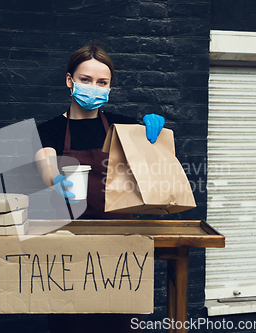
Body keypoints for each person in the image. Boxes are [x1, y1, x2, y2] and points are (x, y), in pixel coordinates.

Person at [35, 45, 164, 333]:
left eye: (102, 82)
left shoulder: (122, 128)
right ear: (70, 81)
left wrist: (152, 135)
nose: (93, 88)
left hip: (119, 242)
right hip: (68, 244)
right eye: (85, 80)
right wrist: (55, 179)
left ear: (109, 87)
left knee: (120, 323)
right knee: (70, 322)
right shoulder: (51, 130)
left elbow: (155, 161)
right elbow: (45, 163)